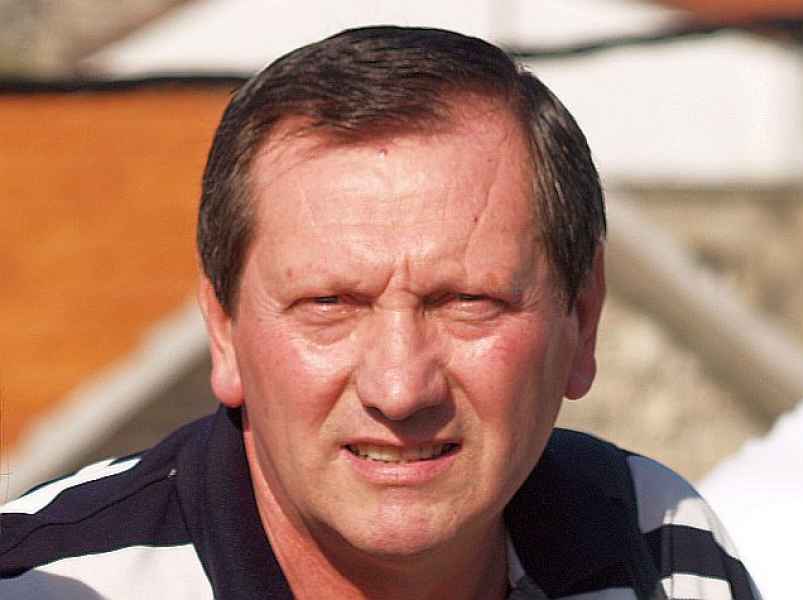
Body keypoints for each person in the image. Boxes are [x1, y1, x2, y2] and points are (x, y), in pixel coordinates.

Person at [0, 26, 761, 600]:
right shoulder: (40, 584)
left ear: (582, 318)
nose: (399, 389)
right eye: (329, 304)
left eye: (468, 302)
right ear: (223, 331)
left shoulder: (658, 550)